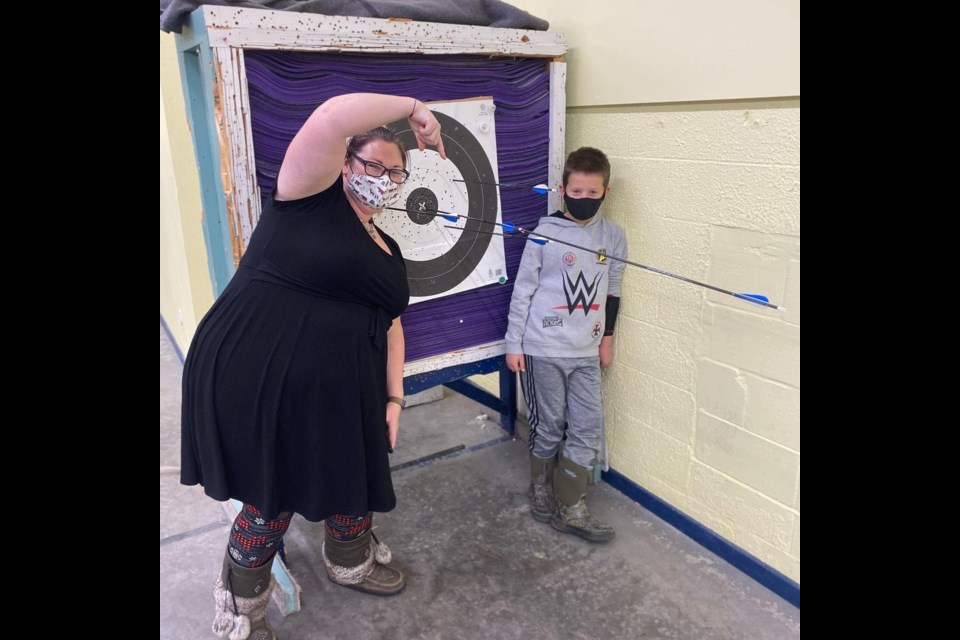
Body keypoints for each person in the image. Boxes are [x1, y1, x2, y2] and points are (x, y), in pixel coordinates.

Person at [180, 93, 445, 639]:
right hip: (260, 376)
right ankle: (242, 607)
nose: (384, 178)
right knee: (271, 493)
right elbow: (327, 116)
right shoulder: (304, 198)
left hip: (347, 389)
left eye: (395, 172)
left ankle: (350, 562)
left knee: (354, 470)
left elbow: (392, 322)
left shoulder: (388, 244)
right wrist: (413, 106)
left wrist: (393, 398)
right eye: (373, 164)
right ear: (345, 164)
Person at [504, 147, 626, 543]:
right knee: (550, 426)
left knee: (588, 428)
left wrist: (606, 339)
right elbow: (523, 292)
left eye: (594, 193)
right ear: (562, 189)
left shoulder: (612, 236)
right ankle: (541, 485)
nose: (585, 199)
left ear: (605, 191)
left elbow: (614, 291)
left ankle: (570, 507)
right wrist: (514, 344)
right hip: (544, 349)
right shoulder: (543, 235)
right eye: (577, 191)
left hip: (587, 354)